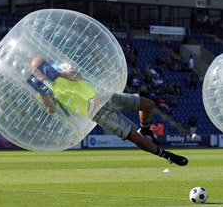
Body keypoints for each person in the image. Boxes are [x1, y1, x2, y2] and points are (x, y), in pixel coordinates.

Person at [30, 57, 188, 166]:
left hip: (104, 96)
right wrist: (43, 94)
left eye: (43, 66)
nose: (42, 71)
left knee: (148, 104)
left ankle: (145, 128)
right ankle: (166, 155)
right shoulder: (43, 90)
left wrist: (58, 74)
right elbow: (51, 110)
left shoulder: (60, 67)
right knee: (134, 136)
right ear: (36, 73)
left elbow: (78, 76)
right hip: (96, 112)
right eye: (38, 70)